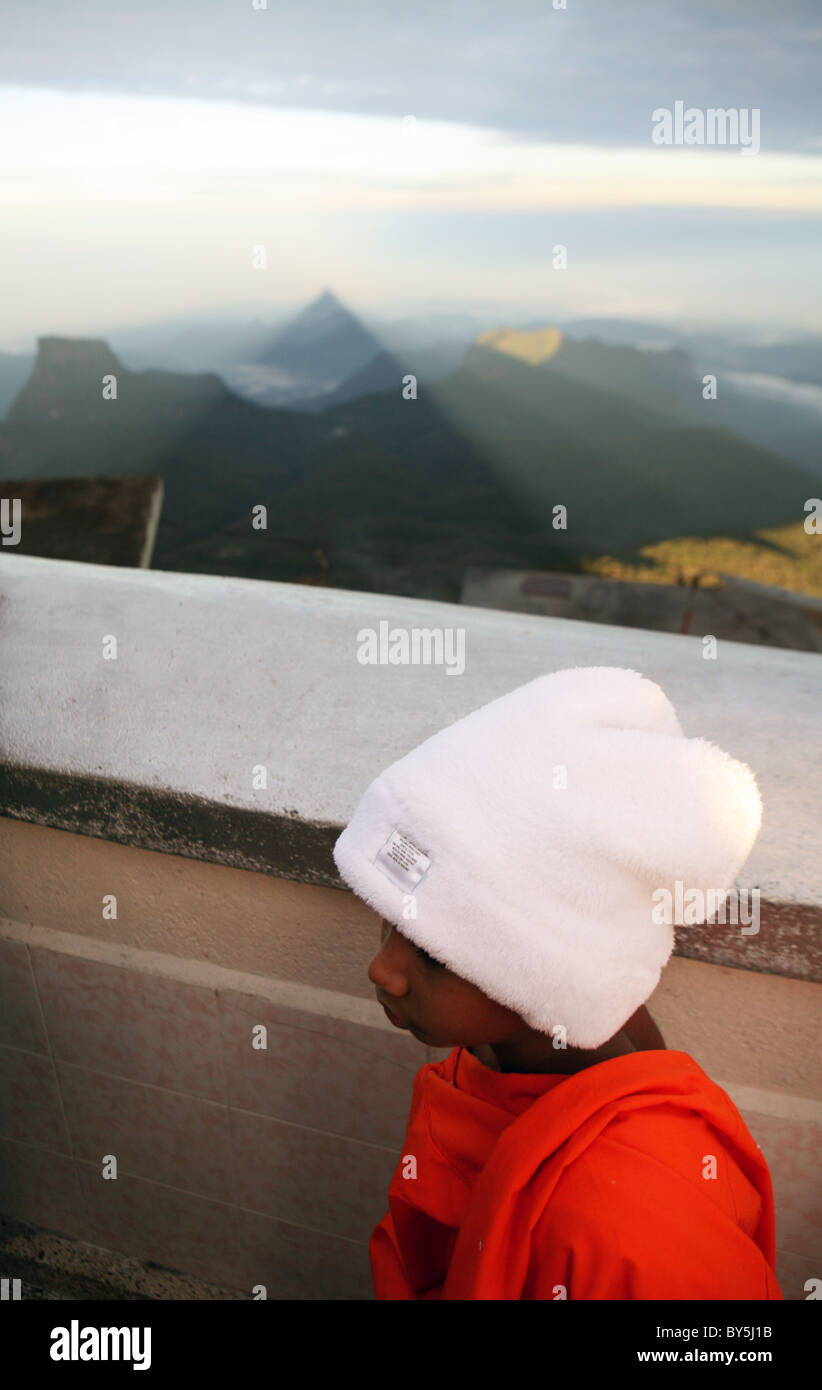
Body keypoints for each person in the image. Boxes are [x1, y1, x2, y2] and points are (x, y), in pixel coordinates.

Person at [333, 666, 783, 1300]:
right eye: (392, 921)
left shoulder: (633, 1229)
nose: (383, 970)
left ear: (547, 974)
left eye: (435, 952)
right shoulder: (501, 1060)